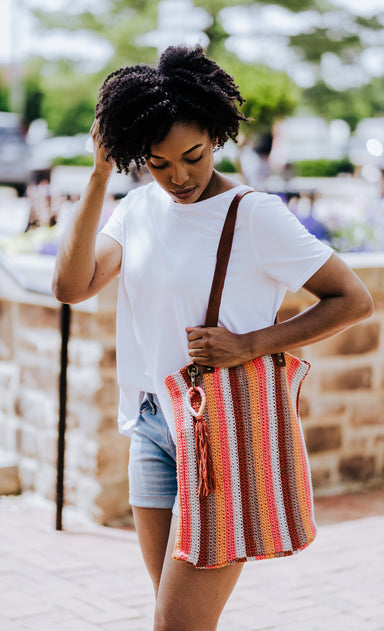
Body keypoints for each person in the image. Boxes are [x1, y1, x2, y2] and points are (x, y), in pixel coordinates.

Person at [52, 45, 373, 631]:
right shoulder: (140, 208)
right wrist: (99, 176)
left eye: (192, 156)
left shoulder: (254, 215)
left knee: (176, 624)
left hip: (220, 432)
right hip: (152, 424)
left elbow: (354, 299)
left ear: (216, 134)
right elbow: (71, 286)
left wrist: (250, 344)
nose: (179, 176)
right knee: (175, 618)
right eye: (158, 162)